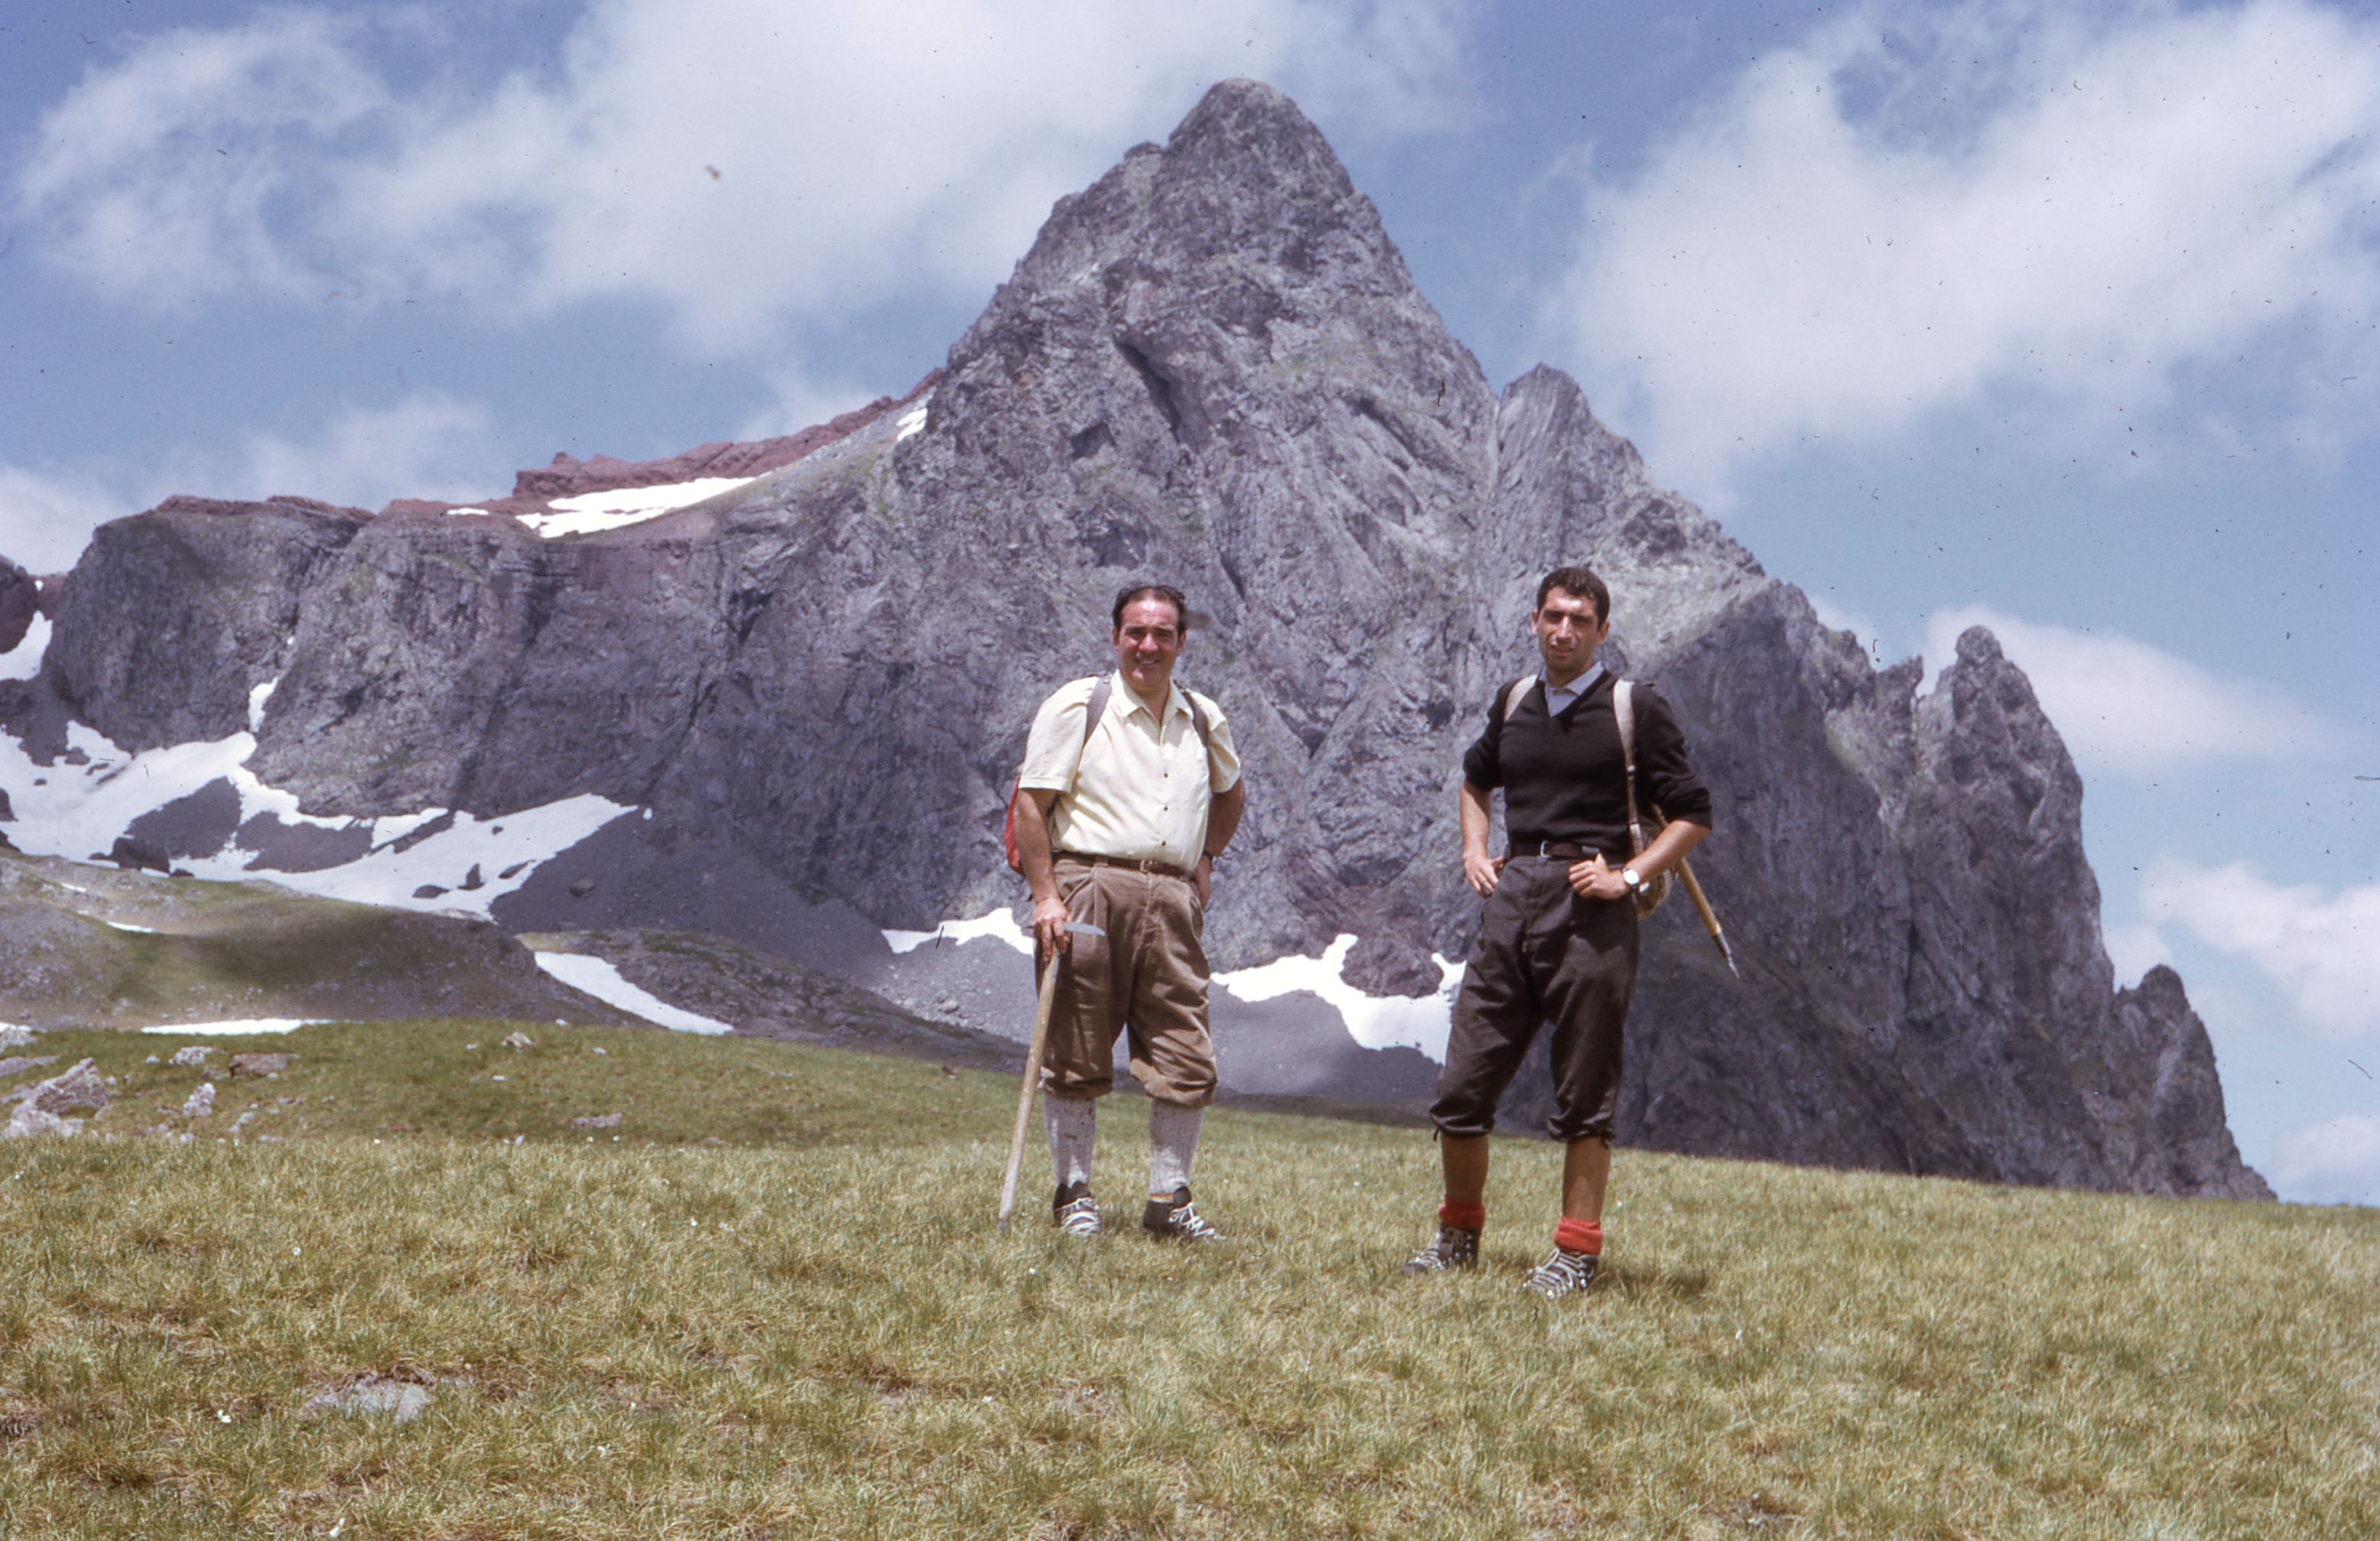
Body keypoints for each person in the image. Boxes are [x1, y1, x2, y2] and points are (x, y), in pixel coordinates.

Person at [1403, 565, 1712, 1298]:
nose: (1563, 631)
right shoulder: (1514, 701)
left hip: (1592, 906)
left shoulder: (1635, 707)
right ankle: (1457, 1238)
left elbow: (1693, 813)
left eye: (1579, 620)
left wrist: (1628, 877)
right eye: (1553, 616)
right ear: (1535, 622)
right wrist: (1474, 851)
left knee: (1584, 1086)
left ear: (1602, 631)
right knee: (1462, 1083)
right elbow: (1476, 780)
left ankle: (1575, 1253)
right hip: (1513, 898)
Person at [1010, 583, 1245, 1241]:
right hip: (1088, 884)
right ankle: (1074, 1194)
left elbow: (1231, 793)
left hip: (1171, 894)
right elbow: (1032, 802)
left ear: (1181, 642)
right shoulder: (1079, 705)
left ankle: (1170, 1202)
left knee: (1183, 1045)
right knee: (1076, 1040)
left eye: (1162, 634)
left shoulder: (1203, 718)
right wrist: (1047, 895)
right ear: (1116, 637)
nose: (1148, 645)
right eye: (1136, 632)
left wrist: (1206, 857)